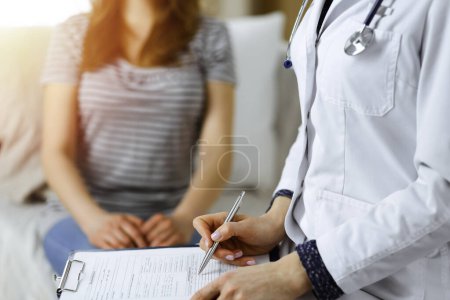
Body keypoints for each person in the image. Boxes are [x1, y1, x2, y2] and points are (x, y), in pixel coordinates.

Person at [193, 0, 450, 299]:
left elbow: (443, 190)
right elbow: (317, 122)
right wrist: (277, 219)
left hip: (391, 284)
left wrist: (303, 271)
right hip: (299, 260)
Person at [40, 0, 235, 275]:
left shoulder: (211, 35)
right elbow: (55, 151)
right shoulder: (74, 32)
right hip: (80, 214)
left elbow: (218, 151)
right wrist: (93, 220)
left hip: (173, 217)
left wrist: (182, 218)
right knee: (108, 276)